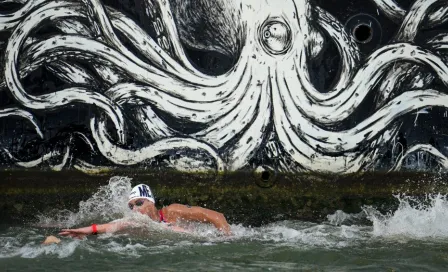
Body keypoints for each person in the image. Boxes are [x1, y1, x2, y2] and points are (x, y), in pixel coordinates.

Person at [42, 184, 231, 244]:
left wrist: (227, 239)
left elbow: (217, 217)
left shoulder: (172, 212)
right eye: (131, 206)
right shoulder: (139, 222)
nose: (135, 209)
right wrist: (84, 231)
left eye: (139, 203)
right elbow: (112, 226)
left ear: (151, 202)